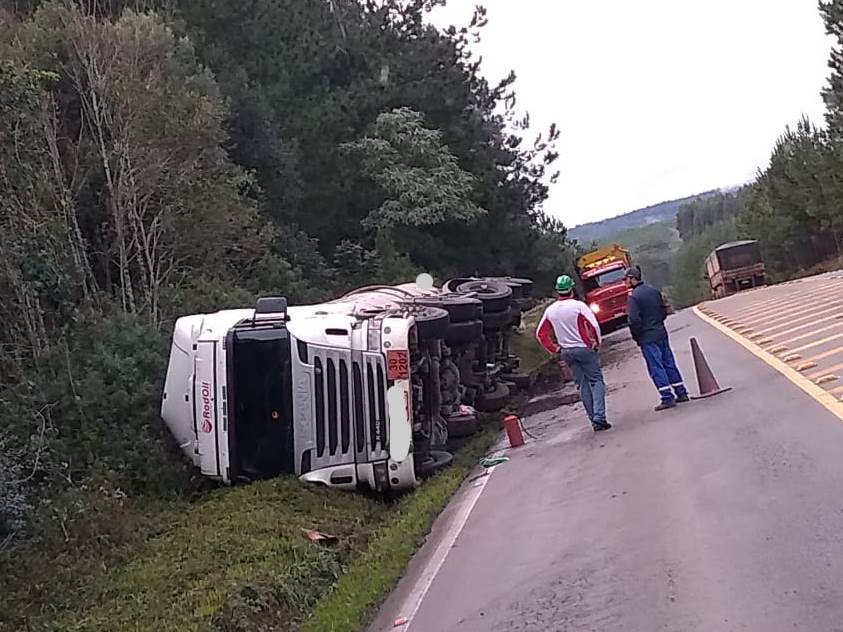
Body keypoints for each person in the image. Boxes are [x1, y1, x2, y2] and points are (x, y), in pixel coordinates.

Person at [536, 274, 611, 432]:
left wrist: (555, 348)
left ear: (558, 291)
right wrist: (596, 342)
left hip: (566, 352)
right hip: (584, 348)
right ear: (571, 289)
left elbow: (540, 334)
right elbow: (594, 325)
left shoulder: (551, 310)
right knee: (596, 381)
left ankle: (593, 419)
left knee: (582, 385)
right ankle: (600, 416)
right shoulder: (579, 306)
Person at [623, 267, 689, 411]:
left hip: (647, 337)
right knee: (669, 363)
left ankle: (667, 397)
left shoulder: (634, 297)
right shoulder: (654, 291)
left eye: (625, 279)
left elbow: (634, 320)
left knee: (656, 367)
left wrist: (637, 335)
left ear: (632, 278)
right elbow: (664, 310)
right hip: (661, 332)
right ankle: (681, 392)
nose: (624, 282)